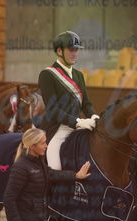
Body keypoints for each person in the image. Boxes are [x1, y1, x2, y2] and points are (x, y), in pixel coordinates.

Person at [4, 128, 91, 221]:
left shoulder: (39, 163)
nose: (46, 146)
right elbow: (9, 198)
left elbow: (53, 174)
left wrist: (76, 175)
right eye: (43, 143)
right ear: (32, 146)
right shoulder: (21, 167)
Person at [38, 31, 98, 170]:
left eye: (76, 50)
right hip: (57, 128)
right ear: (59, 51)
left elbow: (86, 103)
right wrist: (78, 122)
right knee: (55, 166)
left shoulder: (79, 75)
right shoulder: (47, 74)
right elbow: (53, 110)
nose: (75, 53)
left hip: (78, 126)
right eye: (71, 50)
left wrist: (94, 116)